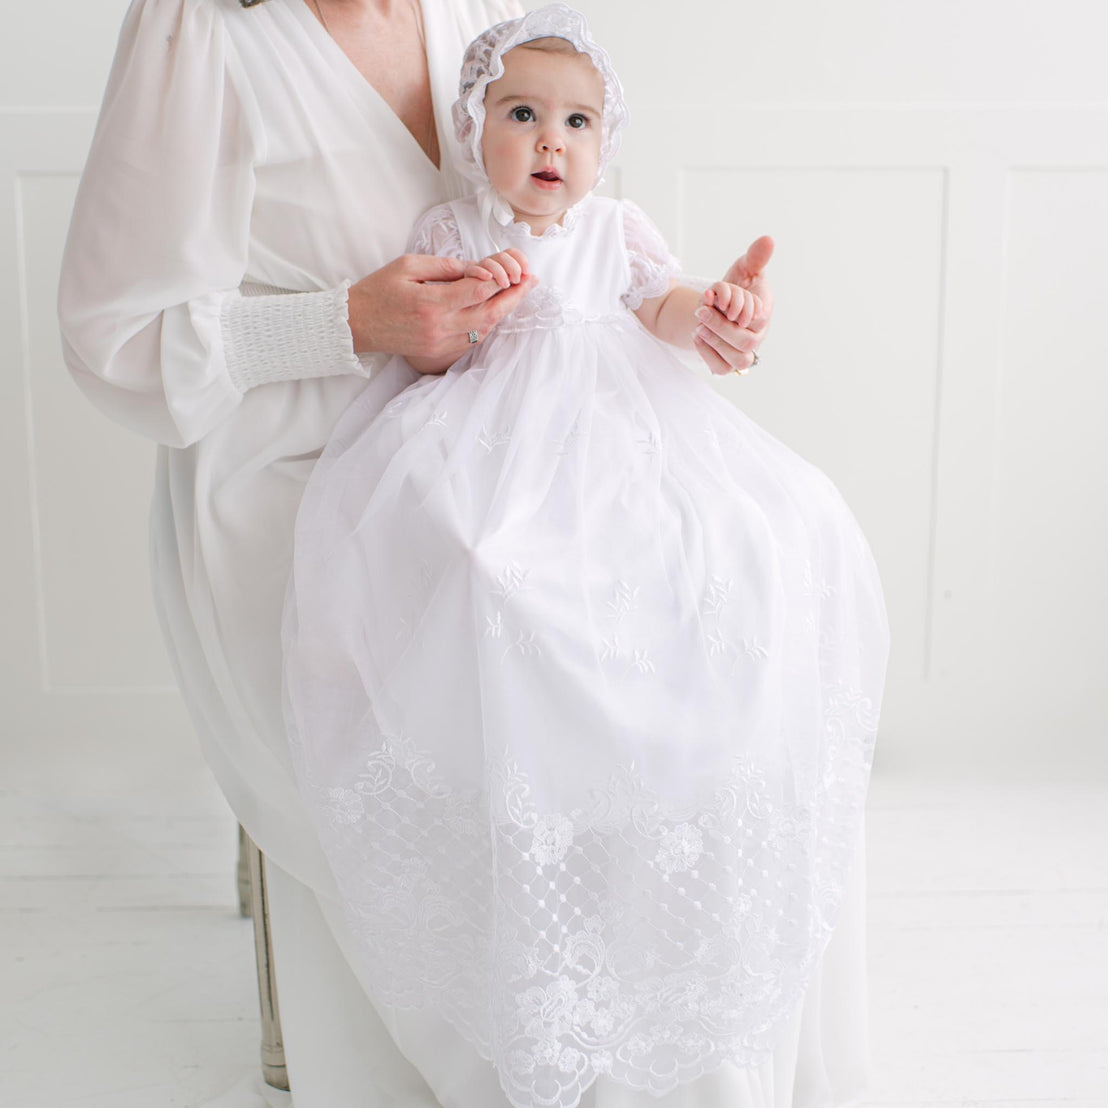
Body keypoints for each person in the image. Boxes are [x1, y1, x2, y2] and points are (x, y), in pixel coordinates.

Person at [49, 1, 825, 1106]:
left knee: (740, 582)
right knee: (484, 614)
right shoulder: (200, 31)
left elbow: (609, 266)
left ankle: (685, 1030)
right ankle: (529, 1048)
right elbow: (115, 338)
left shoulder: (492, 16)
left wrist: (711, 318)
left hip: (530, 452)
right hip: (303, 446)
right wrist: (349, 322)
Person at [282, 6, 889, 1108]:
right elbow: (428, 349)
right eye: (521, 115)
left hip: (624, 431)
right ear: (477, 130)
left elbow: (664, 308)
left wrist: (716, 308)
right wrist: (470, 318)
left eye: (577, 122)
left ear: (605, 144)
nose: (550, 141)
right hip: (497, 435)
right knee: (486, 555)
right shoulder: (455, 227)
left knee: (767, 521)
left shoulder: (615, 228)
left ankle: (677, 761)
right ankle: (528, 773)